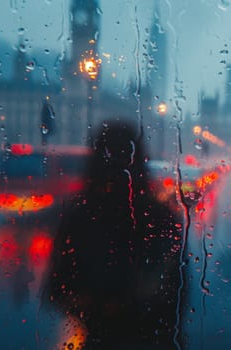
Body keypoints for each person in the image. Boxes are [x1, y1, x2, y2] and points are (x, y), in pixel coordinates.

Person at [44, 120, 181, 349]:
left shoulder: (80, 217)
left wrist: (97, 305)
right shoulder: (159, 217)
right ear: (139, 161)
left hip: (101, 339)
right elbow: (176, 297)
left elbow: (58, 288)